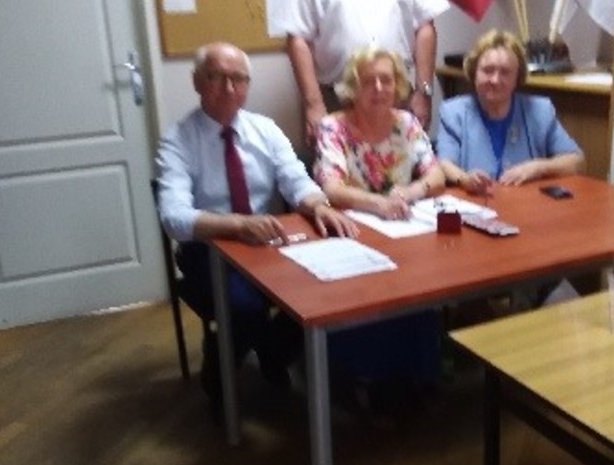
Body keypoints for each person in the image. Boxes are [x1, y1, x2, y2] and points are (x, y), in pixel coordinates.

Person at [155, 42, 359, 412]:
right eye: (216, 77)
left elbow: (296, 181)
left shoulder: (265, 130)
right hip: (209, 249)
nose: (229, 88)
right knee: (246, 309)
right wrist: (236, 225)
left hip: (266, 244)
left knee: (328, 287)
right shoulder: (178, 140)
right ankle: (219, 377)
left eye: (238, 79)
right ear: (197, 82)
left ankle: (272, 352)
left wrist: (318, 205)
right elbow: (173, 216)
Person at [313, 47, 445, 407]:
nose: (379, 88)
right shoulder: (334, 127)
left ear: (398, 84)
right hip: (354, 235)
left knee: (420, 284)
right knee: (368, 294)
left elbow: (435, 175)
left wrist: (410, 191)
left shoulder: (407, 123)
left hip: (403, 232)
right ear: (352, 88)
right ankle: (369, 382)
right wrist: (378, 203)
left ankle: (419, 377)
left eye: (386, 79)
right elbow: (331, 188)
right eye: (368, 81)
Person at [436, 29, 585, 196]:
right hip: (476, 202)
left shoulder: (540, 111)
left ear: (517, 78)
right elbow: (444, 164)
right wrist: (465, 179)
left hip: (526, 204)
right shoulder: (453, 112)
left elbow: (576, 161)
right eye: (487, 70)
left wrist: (538, 167)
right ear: (474, 72)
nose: (495, 80)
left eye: (505, 72)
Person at [282, 0, 450, 139]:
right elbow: (297, 37)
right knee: (336, 166)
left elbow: (425, 26)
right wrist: (314, 104)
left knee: (407, 164)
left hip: (395, 93)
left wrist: (423, 93)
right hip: (337, 98)